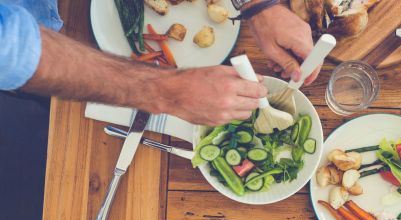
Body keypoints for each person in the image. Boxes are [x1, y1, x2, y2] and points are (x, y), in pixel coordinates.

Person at [0, 0, 318, 126]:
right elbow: (14, 50)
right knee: (60, 118)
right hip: (36, 47)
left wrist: (258, 6)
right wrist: (165, 91)